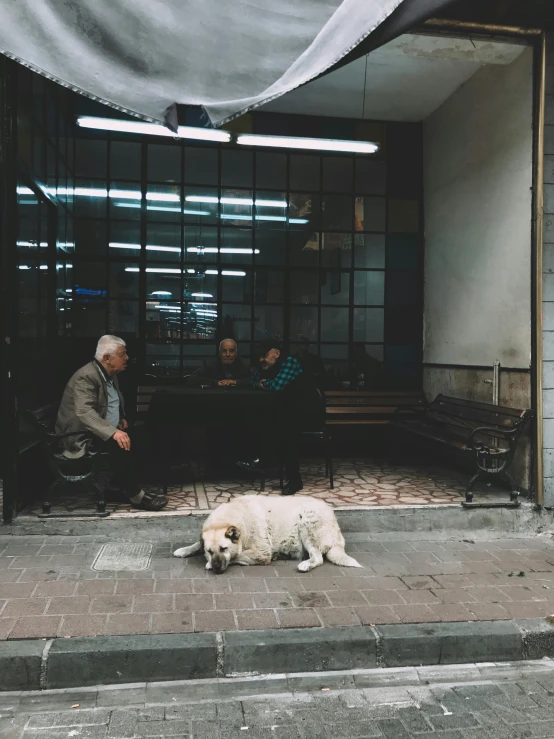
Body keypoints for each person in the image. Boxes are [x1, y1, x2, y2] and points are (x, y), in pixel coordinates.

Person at [55, 335, 168, 511]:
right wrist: (113, 432)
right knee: (121, 444)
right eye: (122, 355)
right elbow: (84, 412)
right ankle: (136, 496)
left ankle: (115, 487)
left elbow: (112, 400)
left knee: (143, 436)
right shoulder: (86, 376)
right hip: (80, 437)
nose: (127, 358)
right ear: (107, 358)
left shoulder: (109, 374)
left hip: (99, 431)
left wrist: (121, 418)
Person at [237, 340, 315, 496]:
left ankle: (293, 479)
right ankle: (264, 460)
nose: (261, 360)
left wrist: (263, 384)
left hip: (307, 413)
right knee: (264, 420)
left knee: (285, 431)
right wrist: (261, 383)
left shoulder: (290, 362)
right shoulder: (268, 366)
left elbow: (277, 386)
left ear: (276, 353)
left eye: (264, 356)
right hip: (287, 413)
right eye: (259, 357)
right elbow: (253, 381)